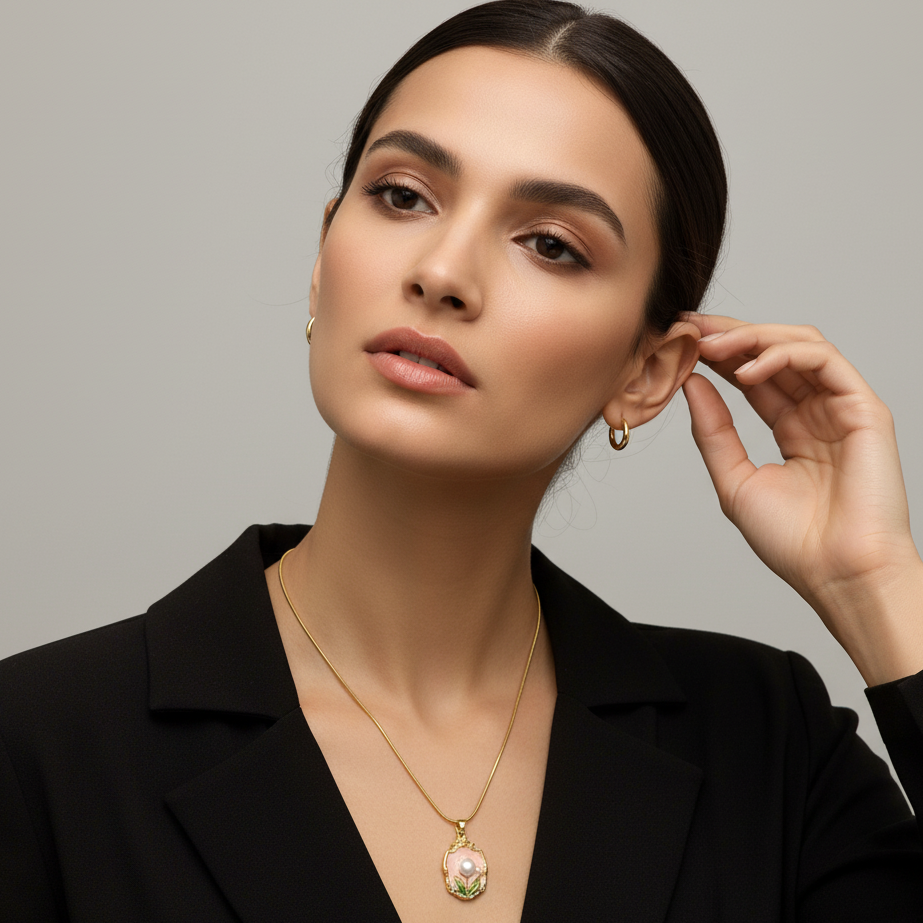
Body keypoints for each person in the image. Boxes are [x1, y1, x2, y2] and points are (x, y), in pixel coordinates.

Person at [2, 1, 922, 920]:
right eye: (403, 195)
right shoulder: (37, 745)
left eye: (550, 245)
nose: (442, 270)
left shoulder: (770, 746)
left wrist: (878, 589)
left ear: (645, 373)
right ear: (323, 258)